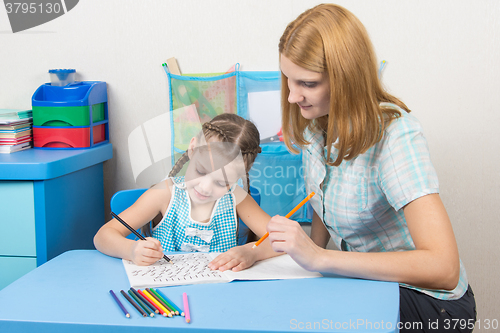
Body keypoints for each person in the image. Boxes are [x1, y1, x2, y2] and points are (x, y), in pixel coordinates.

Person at [267, 4, 476, 332]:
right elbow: (322, 201)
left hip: (430, 300)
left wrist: (319, 259)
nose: (292, 97)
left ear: (344, 77)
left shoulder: (395, 135)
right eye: (288, 80)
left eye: (307, 83)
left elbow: (444, 267)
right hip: (368, 283)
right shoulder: (315, 128)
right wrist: (266, 254)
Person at [94, 113, 278, 271]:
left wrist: (252, 252)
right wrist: (132, 250)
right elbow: (103, 236)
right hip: (166, 296)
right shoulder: (163, 194)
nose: (205, 187)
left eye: (221, 183)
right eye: (200, 171)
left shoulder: (237, 198)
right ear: (192, 148)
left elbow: (282, 240)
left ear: (240, 175)